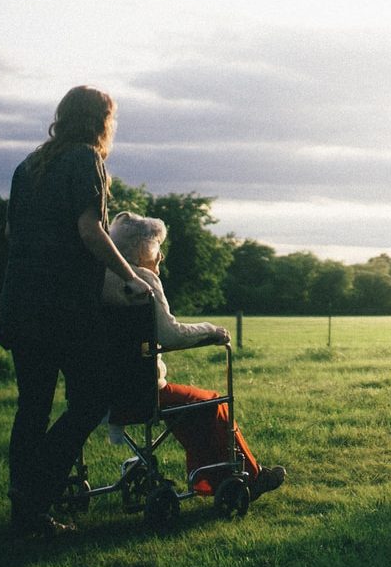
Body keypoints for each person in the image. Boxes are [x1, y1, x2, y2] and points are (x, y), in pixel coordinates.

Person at [0, 85, 152, 536]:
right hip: (61, 307)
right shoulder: (86, 160)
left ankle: (26, 513)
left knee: (33, 407)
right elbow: (90, 230)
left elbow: (12, 231)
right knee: (91, 400)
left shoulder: (29, 165)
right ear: (101, 121)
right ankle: (35, 492)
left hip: (20, 302)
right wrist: (130, 276)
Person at [101, 211, 286, 499]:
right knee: (212, 402)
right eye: (157, 249)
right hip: (141, 391)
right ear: (141, 250)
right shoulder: (143, 280)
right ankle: (250, 476)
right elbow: (171, 335)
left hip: (104, 391)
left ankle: (213, 479)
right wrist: (211, 330)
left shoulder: (103, 279)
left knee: (190, 407)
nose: (161, 257)